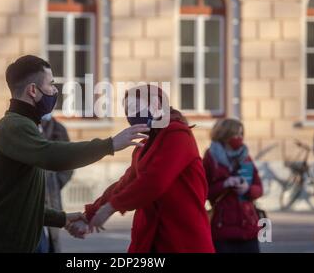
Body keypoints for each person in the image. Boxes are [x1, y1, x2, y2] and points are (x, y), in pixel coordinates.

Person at [0, 55, 149, 253]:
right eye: (50, 84)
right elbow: (52, 156)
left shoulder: (25, 126)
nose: (55, 91)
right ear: (32, 90)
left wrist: (62, 218)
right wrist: (109, 145)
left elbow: (16, 204)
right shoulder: (13, 126)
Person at [68, 84, 215, 253]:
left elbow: (154, 181)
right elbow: (124, 183)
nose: (131, 115)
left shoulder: (178, 134)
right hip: (150, 239)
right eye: (127, 111)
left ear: (157, 105)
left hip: (182, 240)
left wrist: (111, 207)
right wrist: (90, 214)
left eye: (135, 108)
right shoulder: (144, 143)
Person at [203, 118, 263, 253]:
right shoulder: (211, 158)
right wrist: (225, 184)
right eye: (236, 134)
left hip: (248, 228)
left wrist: (247, 189)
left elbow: (259, 188)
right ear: (225, 135)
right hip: (223, 231)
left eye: (241, 134)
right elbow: (203, 191)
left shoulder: (246, 157)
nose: (239, 138)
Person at [36, 114, 73, 253]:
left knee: (52, 238)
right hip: (32, 195)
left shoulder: (58, 128)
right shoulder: (25, 126)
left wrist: (56, 182)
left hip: (51, 193)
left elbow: (69, 163)